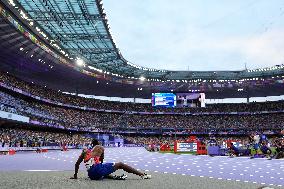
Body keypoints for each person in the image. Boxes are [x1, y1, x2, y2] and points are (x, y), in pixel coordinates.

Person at [70, 139, 151, 180]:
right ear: (97, 144)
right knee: (120, 164)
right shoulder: (100, 148)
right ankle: (142, 175)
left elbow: (77, 164)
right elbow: (101, 161)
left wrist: (75, 176)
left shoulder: (84, 151)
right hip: (97, 170)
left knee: (103, 168)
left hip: (91, 175)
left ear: (91, 144)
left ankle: (114, 177)